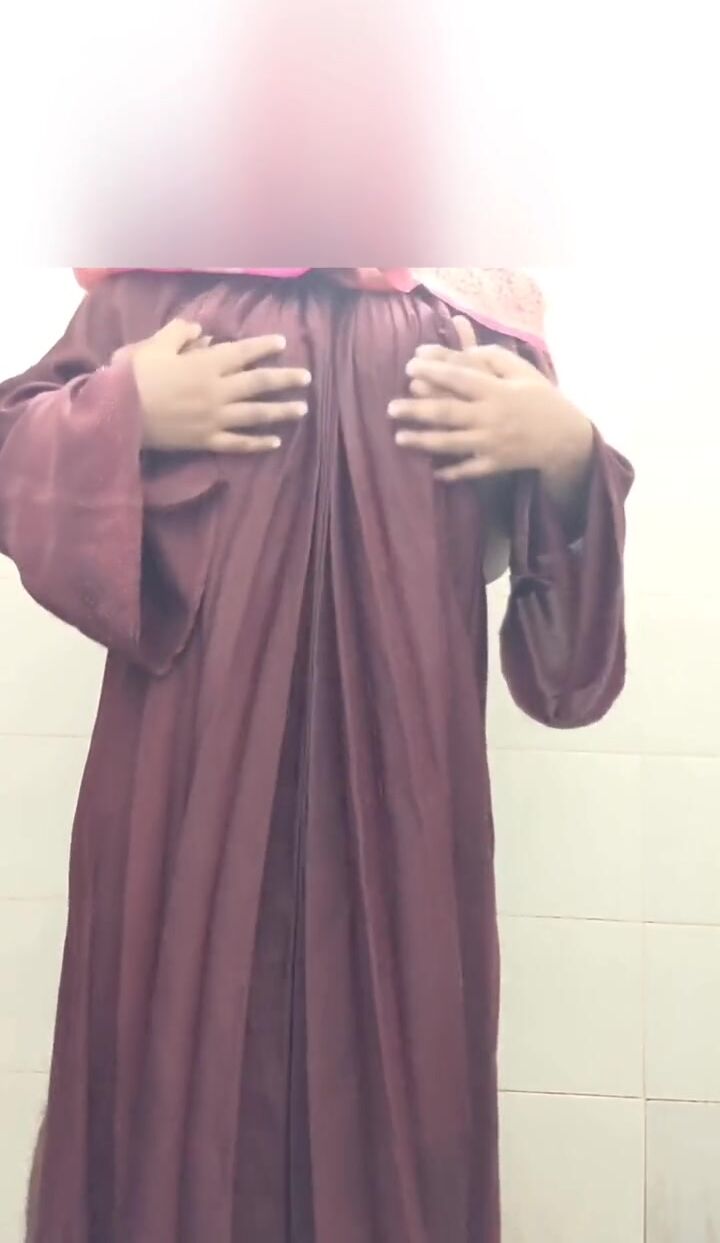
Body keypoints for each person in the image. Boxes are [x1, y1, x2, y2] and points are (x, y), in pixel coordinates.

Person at [0, 268, 633, 1243]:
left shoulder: (470, 306)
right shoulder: (165, 281)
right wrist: (125, 408)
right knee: (170, 1111)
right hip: (184, 808)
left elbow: (566, 665)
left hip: (399, 821)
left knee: (397, 1127)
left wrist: (565, 454)